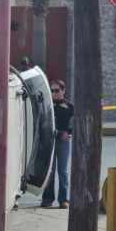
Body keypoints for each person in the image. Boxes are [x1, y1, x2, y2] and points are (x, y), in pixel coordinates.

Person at [42, 79, 74, 209]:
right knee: (50, 170)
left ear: (63, 91)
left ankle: (64, 199)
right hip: (50, 140)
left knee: (63, 171)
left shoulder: (70, 106)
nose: (54, 93)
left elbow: (73, 123)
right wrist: (61, 133)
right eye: (52, 90)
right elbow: (46, 125)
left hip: (63, 142)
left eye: (57, 90)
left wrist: (70, 134)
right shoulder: (47, 105)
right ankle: (47, 198)